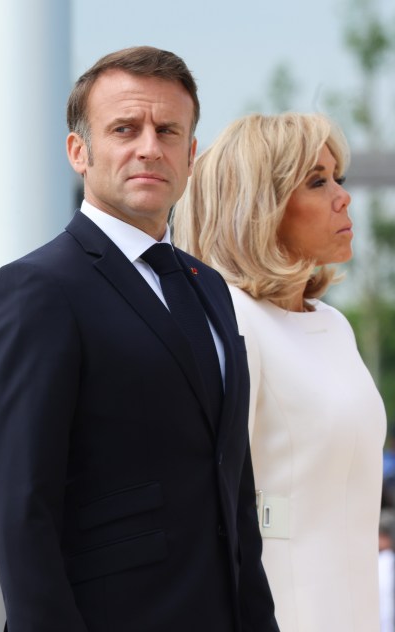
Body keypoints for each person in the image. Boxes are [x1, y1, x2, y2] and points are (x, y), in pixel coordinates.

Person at [0, 46, 278, 631]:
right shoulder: (37, 288)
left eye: (168, 131)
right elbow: (21, 509)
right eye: (124, 128)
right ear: (78, 151)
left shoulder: (209, 288)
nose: (149, 146)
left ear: (190, 157)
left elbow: (232, 487)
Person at [174, 112, 386, 632]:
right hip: (278, 611)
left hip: (355, 607)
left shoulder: (334, 326)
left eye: (338, 177)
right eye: (317, 181)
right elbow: (208, 514)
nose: (343, 197)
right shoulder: (229, 322)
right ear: (258, 207)